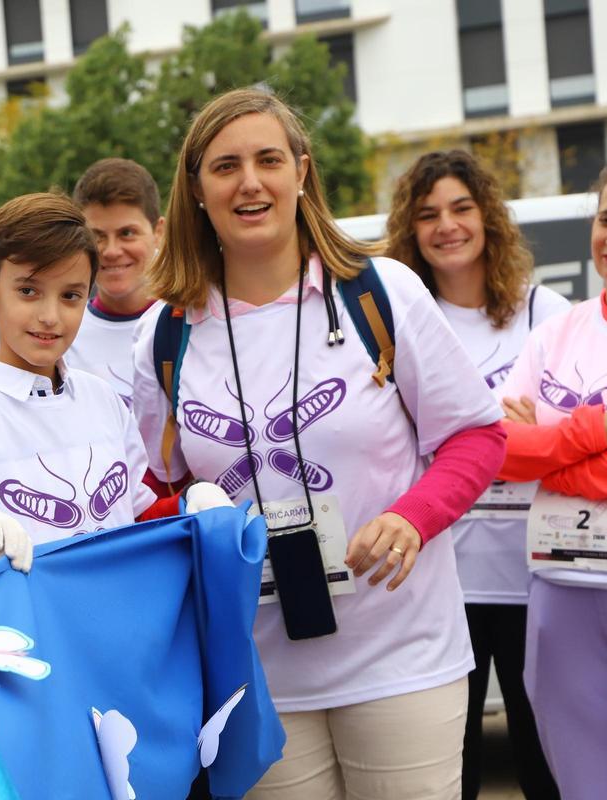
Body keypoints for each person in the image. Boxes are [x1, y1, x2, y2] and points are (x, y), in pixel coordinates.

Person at [132, 89, 506, 799]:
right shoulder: (168, 333)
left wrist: (411, 517)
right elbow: (159, 490)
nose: (250, 182)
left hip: (402, 657)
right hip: (258, 674)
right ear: (196, 190)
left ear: (301, 173)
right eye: (225, 166)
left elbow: (478, 438)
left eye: (269, 160)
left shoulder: (379, 292)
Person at [0, 193, 232, 578]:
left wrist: (186, 504)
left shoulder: (104, 400)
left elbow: (136, 515)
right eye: (28, 290)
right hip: (17, 635)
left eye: (70, 296)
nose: (49, 316)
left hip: (118, 628)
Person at [385, 150, 564, 800]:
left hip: (534, 576)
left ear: (488, 216)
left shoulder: (544, 313)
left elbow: (573, 431)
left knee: (544, 757)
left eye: (461, 208)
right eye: (428, 214)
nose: (446, 225)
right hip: (443, 578)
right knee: (448, 763)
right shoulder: (401, 320)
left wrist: (532, 432)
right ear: (412, 229)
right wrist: (514, 428)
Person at [495, 159, 607, 799]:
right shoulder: (556, 333)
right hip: (558, 591)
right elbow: (497, 452)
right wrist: (595, 439)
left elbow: (532, 452)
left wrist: (548, 452)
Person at [66, 158, 164, 404]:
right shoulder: (63, 337)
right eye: (97, 236)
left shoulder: (194, 321)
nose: (111, 251)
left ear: (158, 233)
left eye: (127, 233)